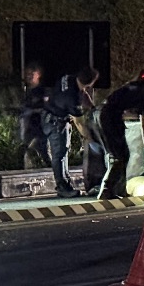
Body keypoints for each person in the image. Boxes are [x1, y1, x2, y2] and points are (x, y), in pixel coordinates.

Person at [97, 71, 144, 200]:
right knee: (121, 156)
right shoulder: (142, 95)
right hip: (111, 120)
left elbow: (122, 107)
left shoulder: (131, 87)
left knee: (122, 155)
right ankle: (107, 189)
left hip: (105, 115)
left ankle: (119, 189)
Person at [42, 68, 98, 198]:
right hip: (55, 122)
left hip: (50, 115)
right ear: (90, 83)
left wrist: (93, 107)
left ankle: (66, 185)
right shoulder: (73, 99)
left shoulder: (68, 77)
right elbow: (79, 123)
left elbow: (83, 92)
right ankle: (62, 187)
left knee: (62, 153)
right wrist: (90, 139)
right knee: (59, 154)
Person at [18, 66, 49, 169]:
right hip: (29, 128)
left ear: (38, 74)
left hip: (39, 128)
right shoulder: (27, 92)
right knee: (29, 153)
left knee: (37, 151)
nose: (29, 76)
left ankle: (54, 174)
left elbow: (46, 108)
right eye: (27, 73)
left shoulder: (41, 91)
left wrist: (32, 111)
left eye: (32, 73)